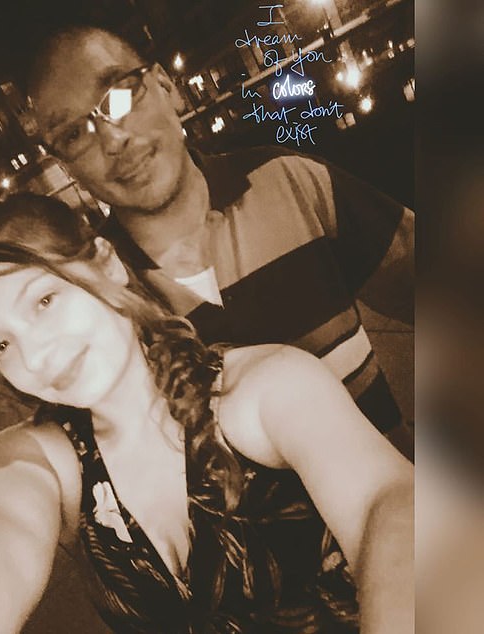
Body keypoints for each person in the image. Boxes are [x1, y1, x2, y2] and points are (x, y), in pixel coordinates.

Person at [0, 193, 413, 633]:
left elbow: (388, 504)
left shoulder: (263, 388)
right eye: (1, 345)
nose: (34, 358)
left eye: (44, 301)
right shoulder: (43, 457)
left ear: (107, 265)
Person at [28, 25, 415, 458]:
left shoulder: (286, 181)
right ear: (66, 167)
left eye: (119, 96)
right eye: (74, 134)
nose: (112, 139)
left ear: (166, 86)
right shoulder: (101, 297)